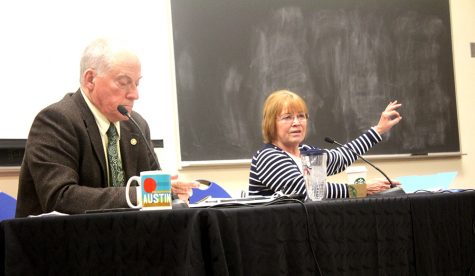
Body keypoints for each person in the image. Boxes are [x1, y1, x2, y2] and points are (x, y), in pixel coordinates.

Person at [16, 38, 198, 217]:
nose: (135, 94)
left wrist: (169, 191)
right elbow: (60, 197)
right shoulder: (56, 121)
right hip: (59, 242)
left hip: (123, 240)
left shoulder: (136, 125)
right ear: (90, 79)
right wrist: (139, 195)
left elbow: (151, 191)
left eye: (137, 83)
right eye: (124, 82)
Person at [249, 90, 402, 198]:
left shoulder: (306, 152)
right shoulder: (268, 156)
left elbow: (340, 158)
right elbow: (304, 189)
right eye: (287, 117)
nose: (296, 123)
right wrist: (360, 189)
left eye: (301, 116)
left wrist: (379, 130)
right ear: (271, 123)